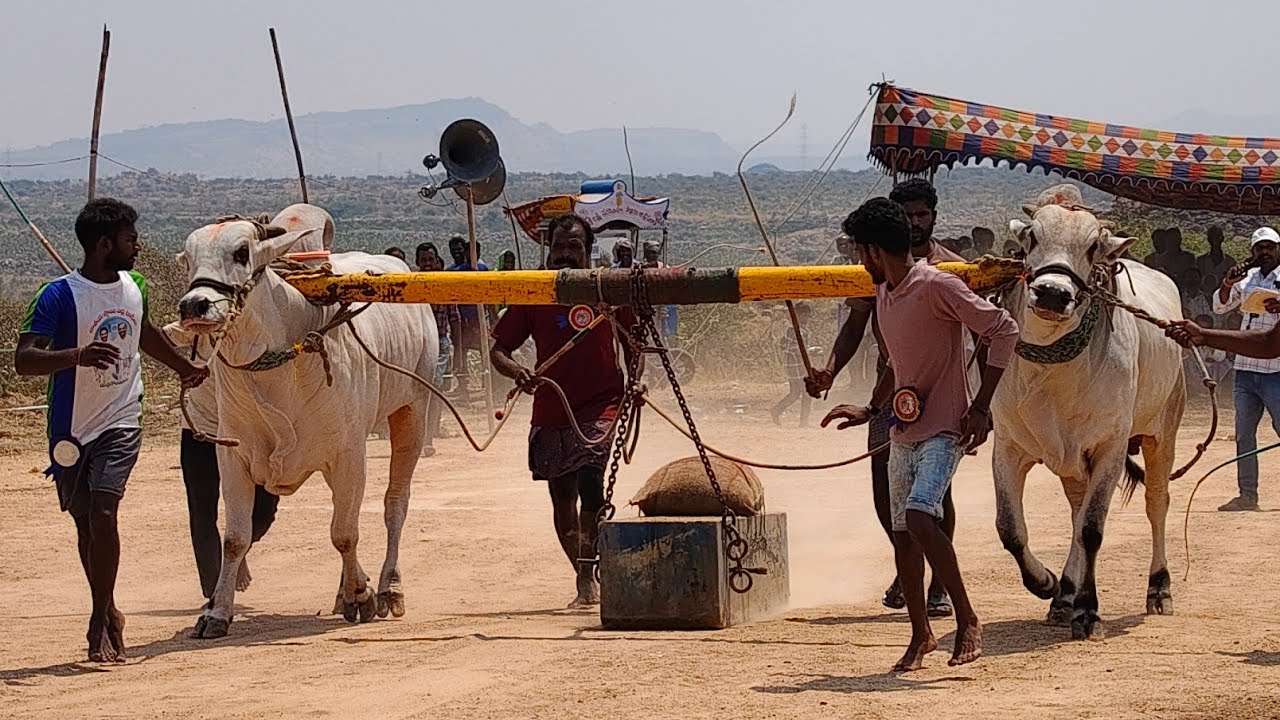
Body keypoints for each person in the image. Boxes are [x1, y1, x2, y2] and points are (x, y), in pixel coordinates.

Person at [822, 197, 1017, 672]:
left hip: (946, 427)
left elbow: (1004, 329)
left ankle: (968, 619)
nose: (856, 260)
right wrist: (871, 408)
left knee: (919, 516)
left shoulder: (937, 285)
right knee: (904, 535)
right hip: (903, 428)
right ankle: (920, 635)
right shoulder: (886, 294)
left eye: (856, 252)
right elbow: (895, 364)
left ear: (871, 251)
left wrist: (980, 407)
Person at [15, 198, 207, 663]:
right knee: (85, 525)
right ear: (104, 245)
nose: (137, 246)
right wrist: (75, 356)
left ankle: (98, 618)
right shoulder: (57, 296)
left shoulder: (135, 285)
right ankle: (111, 607)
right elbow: (24, 361)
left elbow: (143, 333)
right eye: (129, 239)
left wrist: (183, 367)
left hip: (121, 418)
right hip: (71, 429)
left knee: (104, 513)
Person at [806, 178, 967, 617]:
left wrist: (981, 403)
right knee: (888, 494)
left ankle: (937, 585)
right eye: (907, 215)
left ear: (934, 215)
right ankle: (909, 563)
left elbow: (994, 330)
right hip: (888, 394)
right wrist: (829, 371)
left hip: (935, 397)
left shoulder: (950, 272)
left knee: (934, 495)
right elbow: (857, 325)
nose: (916, 223)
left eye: (923, 214)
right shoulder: (875, 271)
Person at [489, 214, 642, 608]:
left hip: (601, 403)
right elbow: (498, 350)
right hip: (551, 407)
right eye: (560, 247)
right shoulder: (534, 293)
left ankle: (587, 578)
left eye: (575, 247)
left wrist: (636, 381)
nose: (566, 255)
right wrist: (518, 373)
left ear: (589, 251)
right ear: (549, 249)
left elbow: (635, 345)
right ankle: (584, 574)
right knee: (562, 500)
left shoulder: (608, 289)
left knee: (592, 482)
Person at [163, 322, 279, 599]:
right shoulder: (194, 327)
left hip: (250, 434)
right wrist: (182, 367)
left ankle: (236, 555)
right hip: (201, 431)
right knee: (203, 512)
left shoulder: (260, 327)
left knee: (265, 510)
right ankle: (215, 590)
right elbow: (156, 339)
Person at [1207, 226, 1280, 511]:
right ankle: (1247, 495)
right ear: (1252, 251)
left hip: (1276, 368)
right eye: (1260, 248)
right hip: (1246, 369)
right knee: (1244, 434)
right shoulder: (1246, 279)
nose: (1265, 252)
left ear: (1278, 249)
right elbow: (1220, 308)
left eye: (1270, 247)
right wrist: (1227, 284)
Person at [447, 235, 491, 383]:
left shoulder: (482, 269)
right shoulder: (453, 272)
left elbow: (489, 294)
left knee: (484, 350)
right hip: (461, 319)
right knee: (462, 351)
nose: (458, 253)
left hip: (478, 317)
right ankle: (463, 384)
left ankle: (487, 382)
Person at [771, 303, 813, 427]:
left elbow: (784, 345)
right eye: (805, 315)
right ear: (800, 315)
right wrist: (807, 362)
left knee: (795, 393)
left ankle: (776, 410)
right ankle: (803, 422)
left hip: (792, 366)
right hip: (798, 366)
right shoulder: (797, 330)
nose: (807, 318)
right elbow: (795, 349)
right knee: (806, 393)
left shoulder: (794, 330)